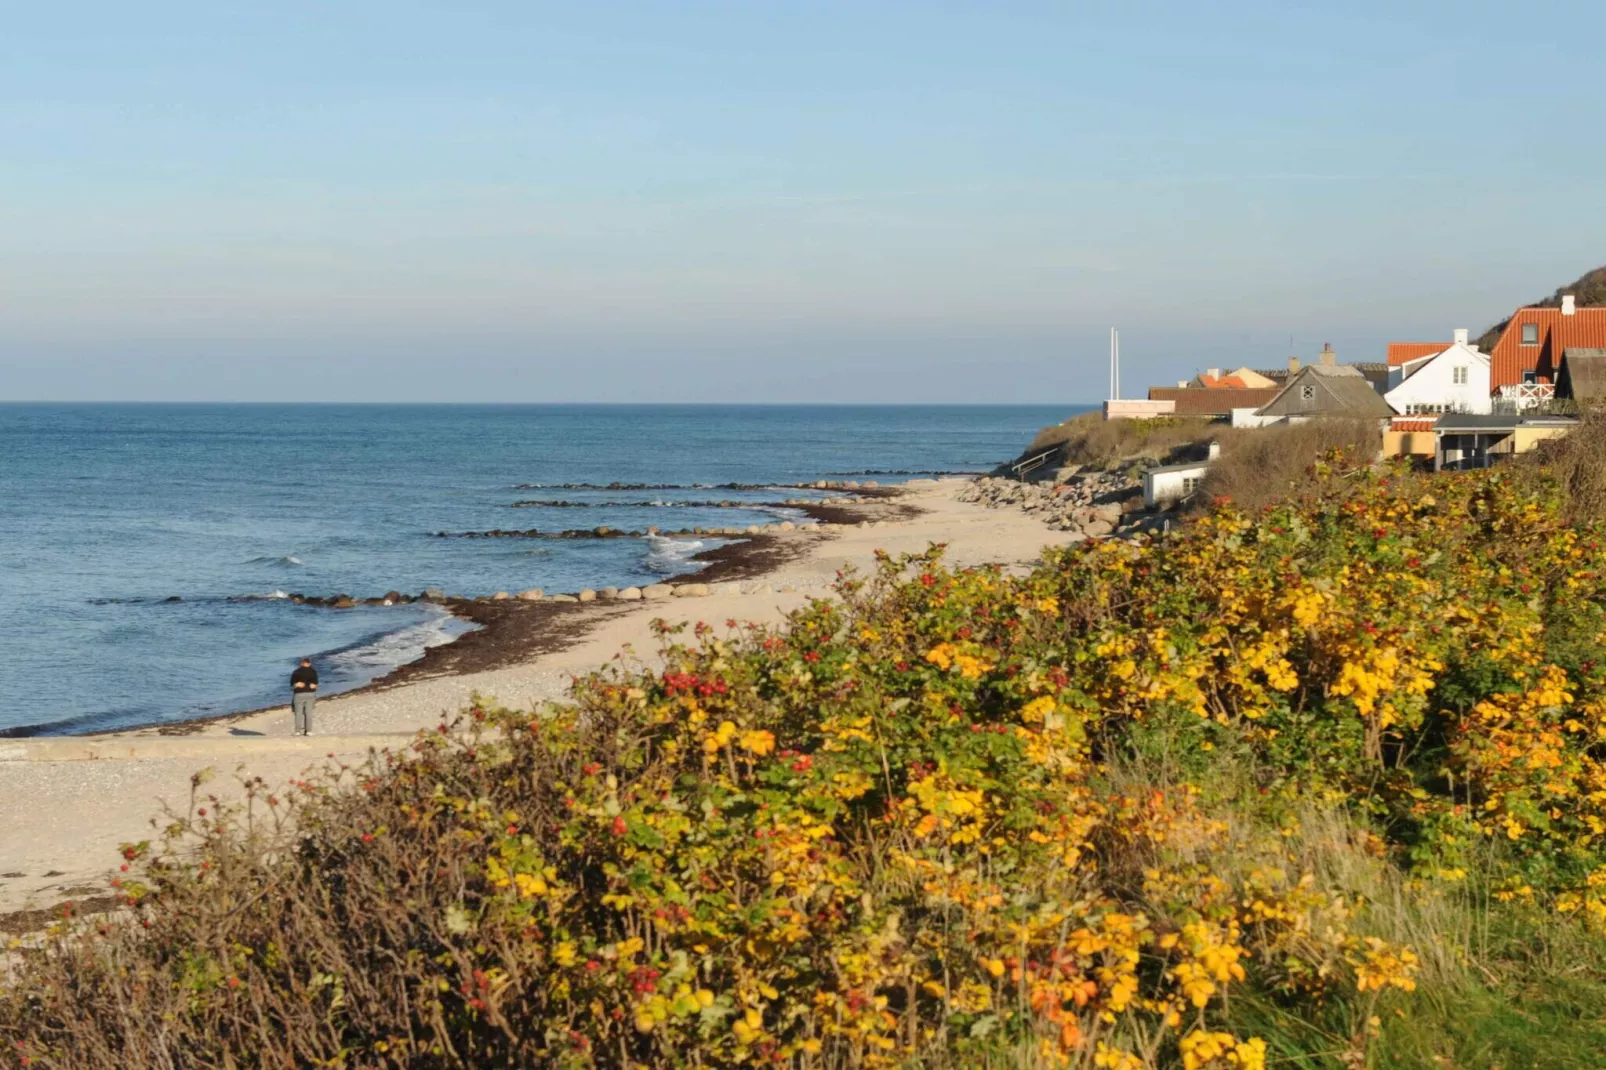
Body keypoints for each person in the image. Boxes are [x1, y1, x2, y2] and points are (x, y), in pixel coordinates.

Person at [290, 656, 319, 736]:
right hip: (310, 694)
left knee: (298, 713)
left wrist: (297, 684)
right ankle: (309, 731)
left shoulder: (296, 672)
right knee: (309, 713)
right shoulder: (313, 672)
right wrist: (313, 686)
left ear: (301, 663)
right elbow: (315, 685)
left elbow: (292, 685)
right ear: (309, 663)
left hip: (299, 694)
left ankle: (297, 731)